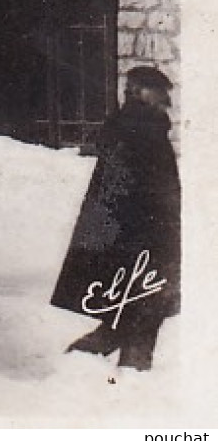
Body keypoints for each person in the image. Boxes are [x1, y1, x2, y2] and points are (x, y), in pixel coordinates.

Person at [51, 66, 181, 371]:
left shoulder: (131, 126)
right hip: (143, 236)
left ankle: (85, 362)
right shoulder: (141, 130)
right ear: (139, 93)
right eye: (159, 93)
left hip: (129, 236)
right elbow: (142, 190)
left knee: (130, 310)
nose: (166, 101)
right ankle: (129, 375)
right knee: (144, 308)